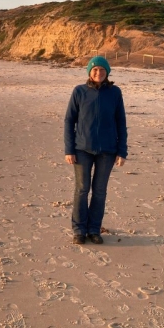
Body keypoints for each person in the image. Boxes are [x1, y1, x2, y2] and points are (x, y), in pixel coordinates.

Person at [64, 56, 127, 245]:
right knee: (82, 189)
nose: (98, 73)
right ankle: (79, 231)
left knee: (99, 191)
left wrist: (122, 151)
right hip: (82, 149)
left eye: (101, 70)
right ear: (89, 72)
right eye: (94, 70)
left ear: (107, 72)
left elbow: (121, 122)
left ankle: (93, 230)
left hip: (107, 151)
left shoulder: (115, 93)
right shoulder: (79, 91)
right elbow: (69, 121)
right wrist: (69, 149)